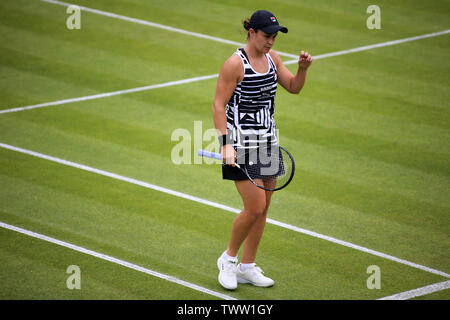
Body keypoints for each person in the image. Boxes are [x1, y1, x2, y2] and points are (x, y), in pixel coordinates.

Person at [212, 9, 313, 290]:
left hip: (267, 141)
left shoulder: (273, 59)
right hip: (240, 144)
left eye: (274, 37)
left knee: (264, 208)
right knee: (254, 206)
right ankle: (228, 259)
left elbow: (293, 86)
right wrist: (225, 145)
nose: (271, 41)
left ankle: (247, 266)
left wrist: (302, 69)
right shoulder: (235, 64)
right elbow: (218, 105)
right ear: (252, 32)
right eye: (267, 36)